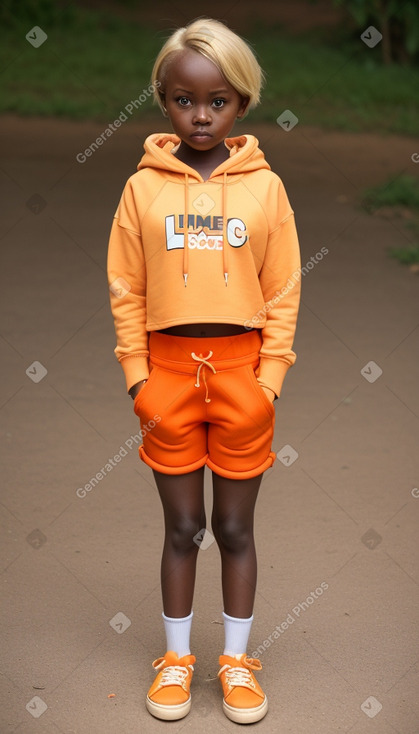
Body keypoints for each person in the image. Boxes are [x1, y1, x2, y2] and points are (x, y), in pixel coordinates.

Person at [107, 17, 301, 724]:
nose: (200, 115)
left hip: (242, 375)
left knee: (235, 528)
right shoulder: (142, 190)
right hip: (165, 378)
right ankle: (178, 659)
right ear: (163, 100)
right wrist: (138, 377)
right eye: (184, 100)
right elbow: (125, 288)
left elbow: (282, 291)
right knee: (183, 526)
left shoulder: (264, 188)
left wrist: (267, 381)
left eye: (217, 101)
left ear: (241, 104)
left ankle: (237, 662)